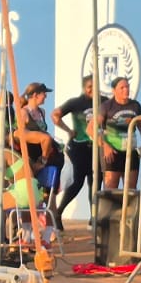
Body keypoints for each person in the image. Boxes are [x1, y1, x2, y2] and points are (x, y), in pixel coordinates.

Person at [51, 74, 95, 227]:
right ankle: (59, 212)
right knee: (77, 182)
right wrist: (68, 130)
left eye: (94, 86)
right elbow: (55, 115)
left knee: (95, 183)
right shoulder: (76, 102)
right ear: (84, 87)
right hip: (78, 147)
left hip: (96, 147)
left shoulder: (103, 101)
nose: (92, 89)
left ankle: (94, 218)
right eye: (89, 87)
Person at [92, 76, 141, 192]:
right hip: (112, 152)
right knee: (110, 189)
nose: (126, 90)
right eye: (122, 88)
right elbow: (91, 129)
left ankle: (127, 206)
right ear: (114, 90)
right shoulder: (106, 106)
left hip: (130, 151)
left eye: (127, 87)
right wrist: (105, 146)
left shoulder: (135, 105)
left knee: (131, 190)